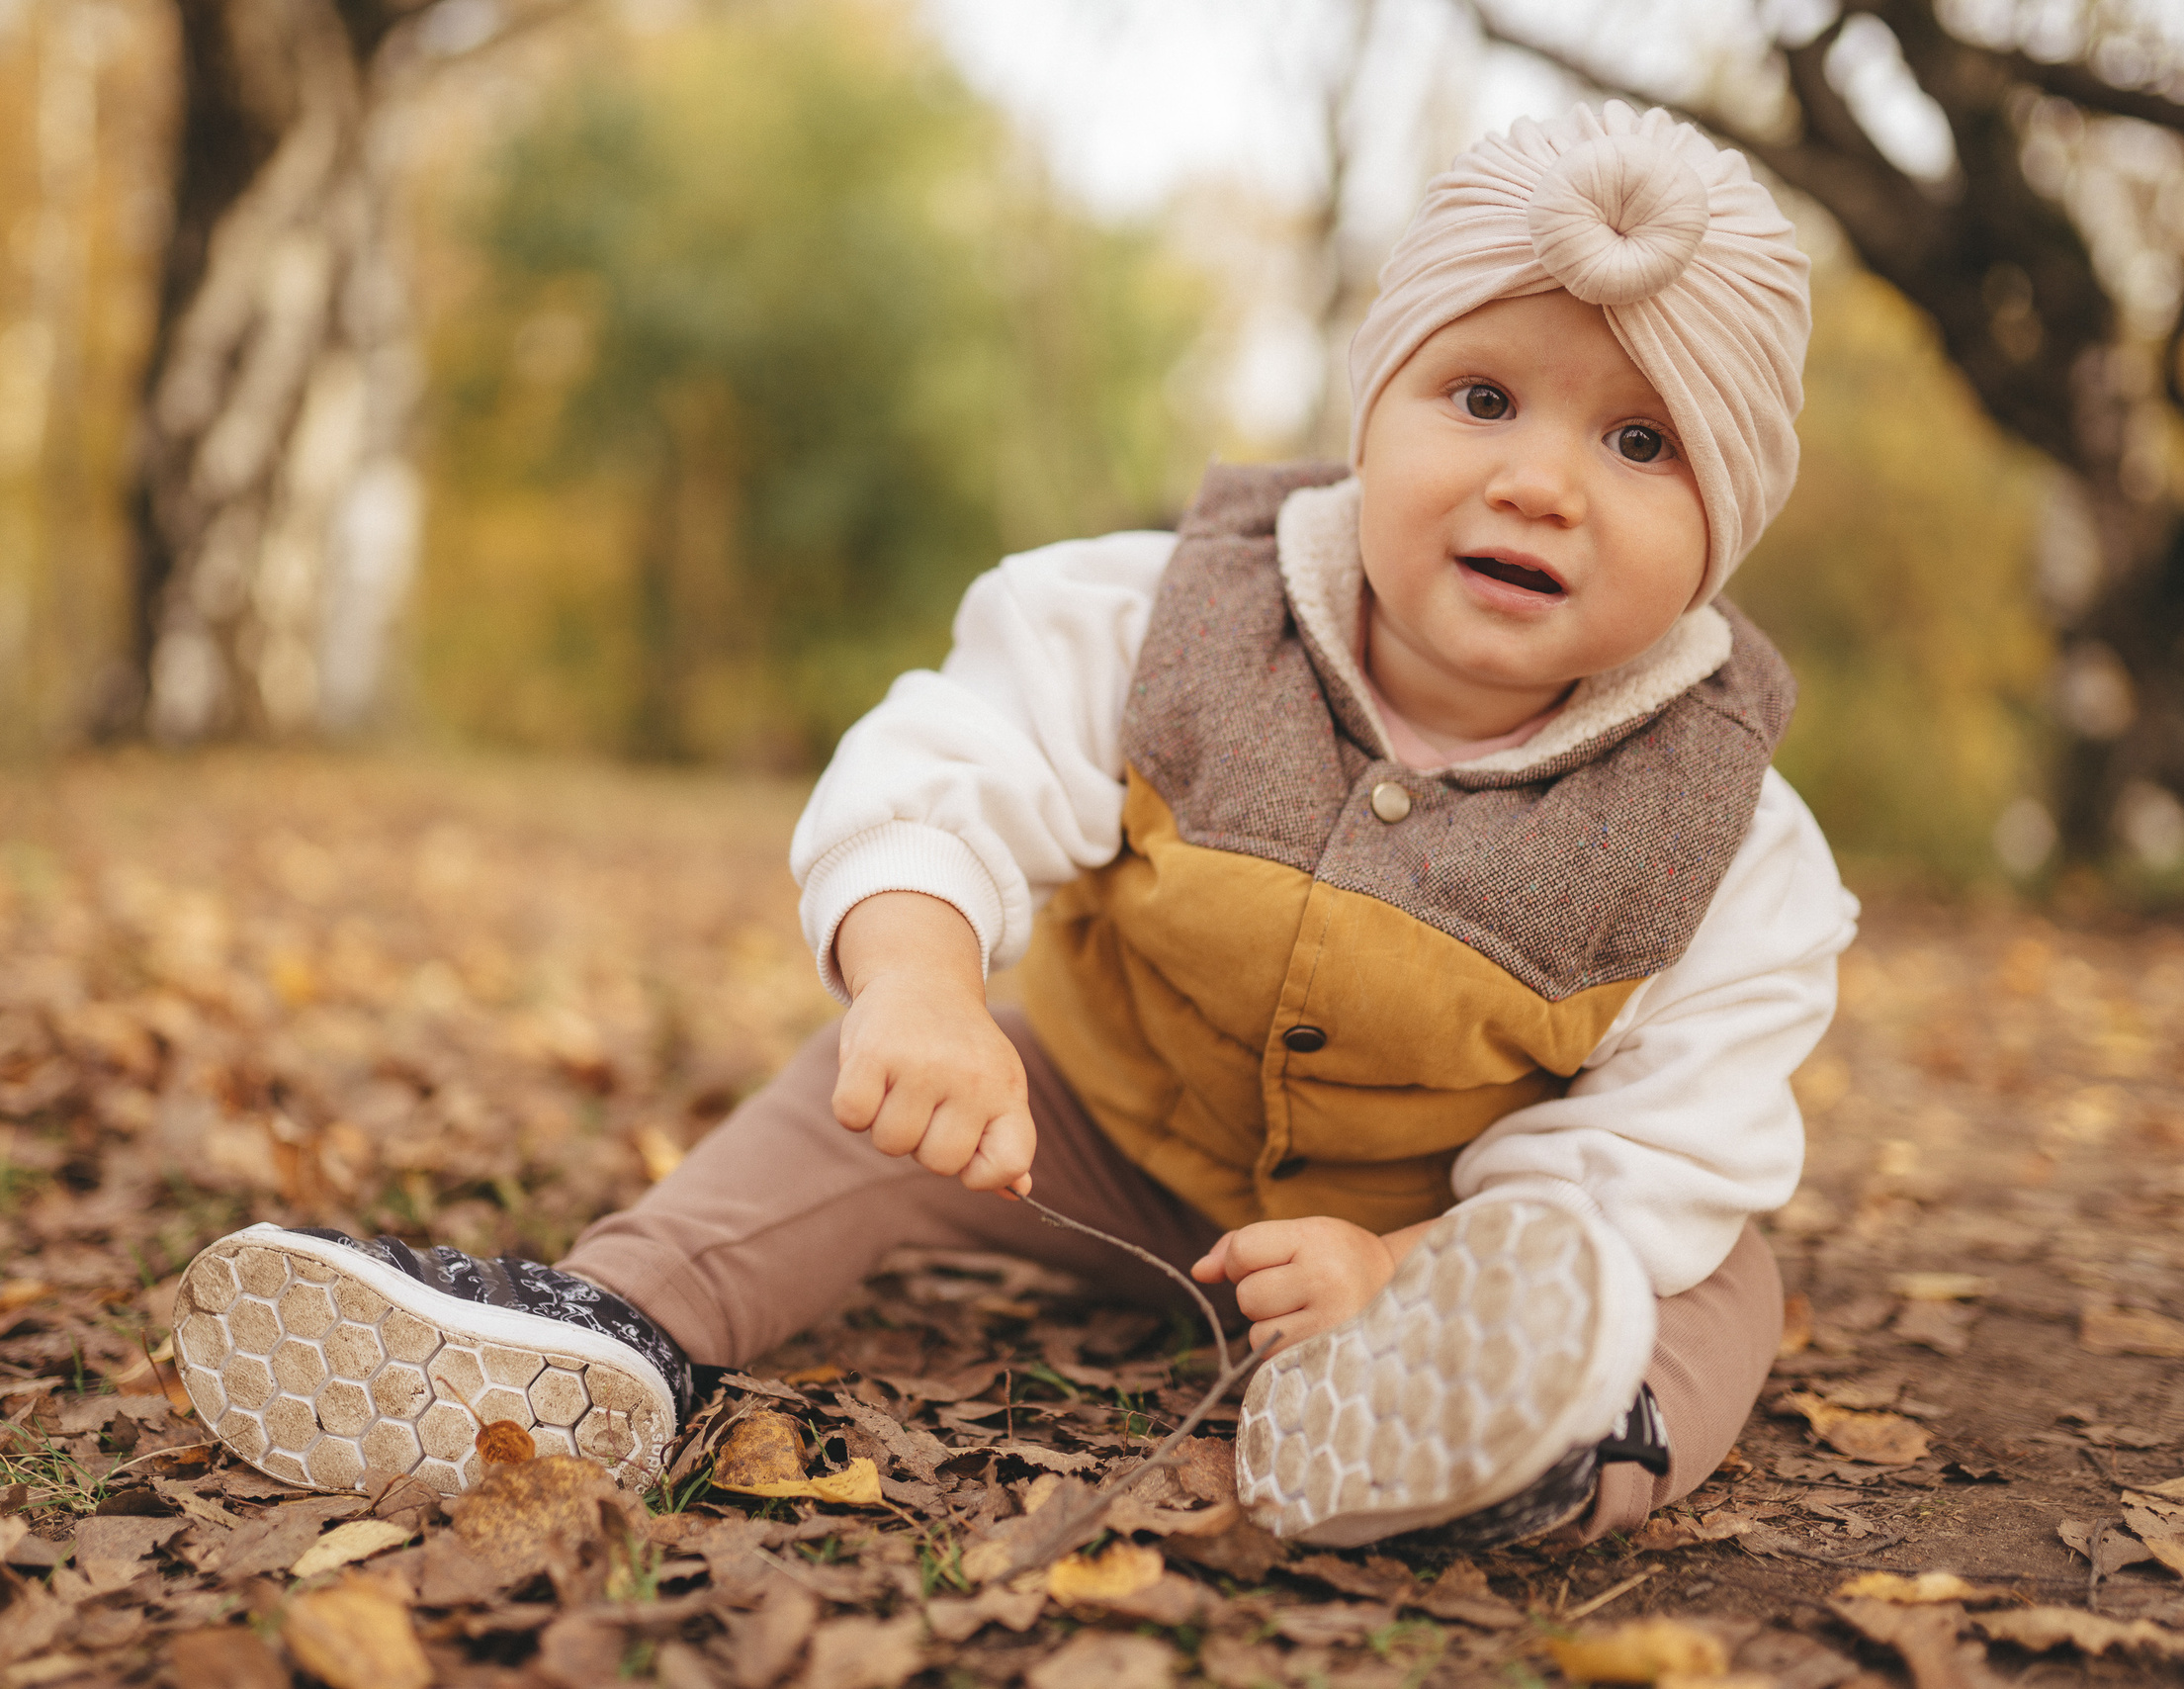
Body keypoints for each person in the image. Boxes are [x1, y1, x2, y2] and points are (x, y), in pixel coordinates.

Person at [172, 100, 1857, 1550]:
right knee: (858, 1103)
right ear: (1373, 408)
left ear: (1731, 523)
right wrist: (909, 981)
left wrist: (1409, 1268)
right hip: (1106, 1144)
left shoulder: (1727, 841)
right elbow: (953, 758)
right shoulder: (1167, 619)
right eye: (1481, 398)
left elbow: (1661, 1141)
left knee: (1708, 1280)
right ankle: (613, 1331)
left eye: (1640, 441)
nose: (1539, 480)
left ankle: (1538, 1455)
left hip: (1450, 1237)